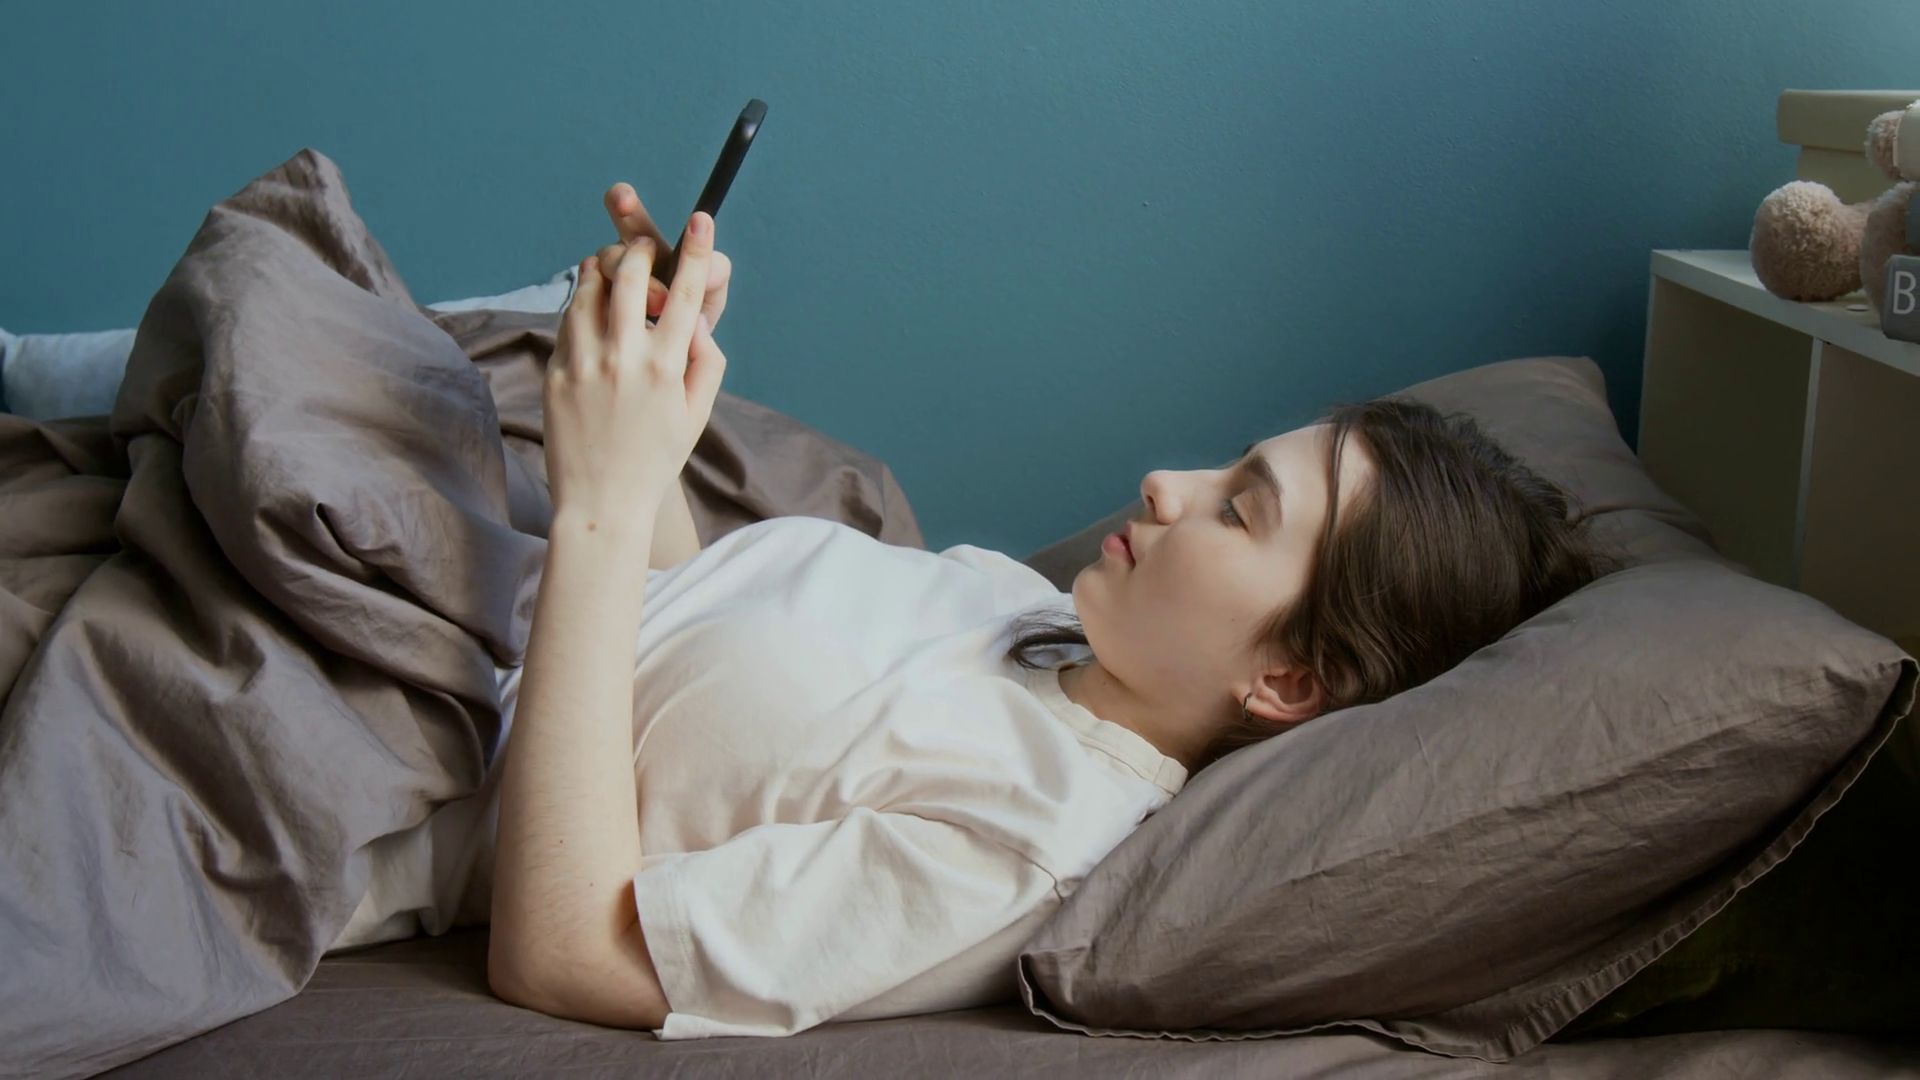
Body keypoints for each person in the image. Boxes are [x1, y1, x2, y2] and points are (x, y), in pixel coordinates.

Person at [336, 184, 1613, 1039]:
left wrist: (602, 513)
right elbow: (673, 633)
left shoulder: (1018, 844)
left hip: (368, 759)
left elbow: (571, 955)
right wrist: (649, 399)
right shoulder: (1023, 608)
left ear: (1287, 679)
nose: (1167, 483)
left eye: (1238, 509)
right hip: (443, 612)